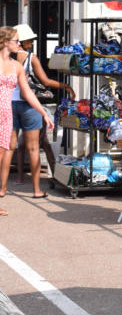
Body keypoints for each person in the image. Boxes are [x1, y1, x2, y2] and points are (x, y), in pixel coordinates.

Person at [12, 24, 75, 186]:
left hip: (9, 104)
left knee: (16, 145)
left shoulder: (5, 57)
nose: (32, 43)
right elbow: (45, 81)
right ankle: (49, 178)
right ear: (22, 41)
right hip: (29, 103)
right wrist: (65, 86)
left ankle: (19, 177)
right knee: (39, 143)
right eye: (30, 40)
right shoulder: (31, 58)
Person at [0, 26, 54, 205]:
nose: (19, 43)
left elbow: (28, 92)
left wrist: (43, 113)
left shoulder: (16, 66)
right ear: (6, 42)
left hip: (7, 113)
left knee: (6, 151)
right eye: (16, 40)